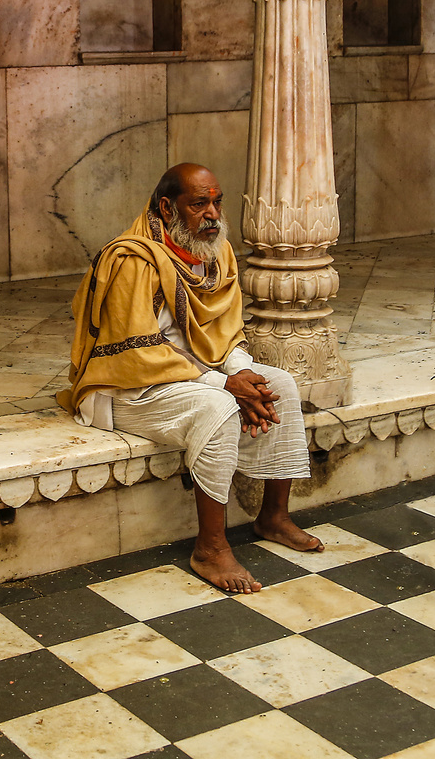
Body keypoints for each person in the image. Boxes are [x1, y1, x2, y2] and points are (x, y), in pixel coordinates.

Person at [59, 163, 321, 593]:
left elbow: (225, 334)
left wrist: (243, 373)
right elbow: (135, 351)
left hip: (194, 377)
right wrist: (225, 386)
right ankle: (211, 548)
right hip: (129, 386)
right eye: (199, 204)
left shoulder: (217, 253)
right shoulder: (129, 259)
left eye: (216, 201)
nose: (213, 214)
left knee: (281, 385)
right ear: (167, 207)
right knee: (218, 406)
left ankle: (274, 516)